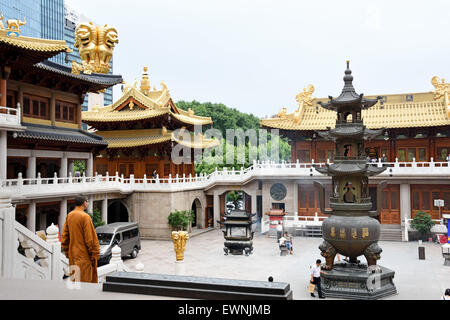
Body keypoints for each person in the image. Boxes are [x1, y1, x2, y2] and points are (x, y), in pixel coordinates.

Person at [61, 195, 100, 283]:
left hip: (73, 256)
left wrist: (67, 252)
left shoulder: (69, 215)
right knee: (85, 283)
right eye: (87, 202)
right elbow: (90, 239)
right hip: (84, 256)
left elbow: (65, 237)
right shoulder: (85, 217)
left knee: (75, 283)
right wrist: (94, 255)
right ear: (84, 203)